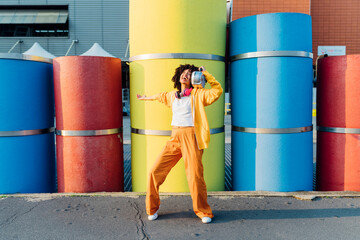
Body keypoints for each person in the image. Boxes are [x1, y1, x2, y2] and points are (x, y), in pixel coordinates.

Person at [136, 64, 223, 224]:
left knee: (195, 177)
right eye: (184, 72)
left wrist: (206, 74)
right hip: (174, 137)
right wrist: (144, 98)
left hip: (192, 138)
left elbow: (217, 91)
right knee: (154, 171)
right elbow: (159, 96)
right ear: (179, 76)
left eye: (190, 74)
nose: (186, 75)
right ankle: (151, 208)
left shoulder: (199, 94)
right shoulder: (173, 96)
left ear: (194, 79)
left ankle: (203, 211)